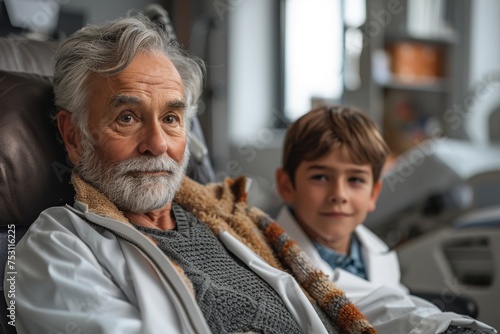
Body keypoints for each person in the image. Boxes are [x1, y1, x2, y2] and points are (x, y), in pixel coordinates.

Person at [3, 15, 376, 334]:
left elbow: (346, 292)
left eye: (171, 119)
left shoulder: (230, 218)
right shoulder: (55, 250)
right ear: (74, 136)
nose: (158, 144)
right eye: (127, 117)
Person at [275, 105, 497, 334]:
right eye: (320, 177)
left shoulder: (375, 250)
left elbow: (394, 305)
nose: (339, 194)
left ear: (373, 194)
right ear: (286, 185)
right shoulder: (270, 263)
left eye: (355, 180)